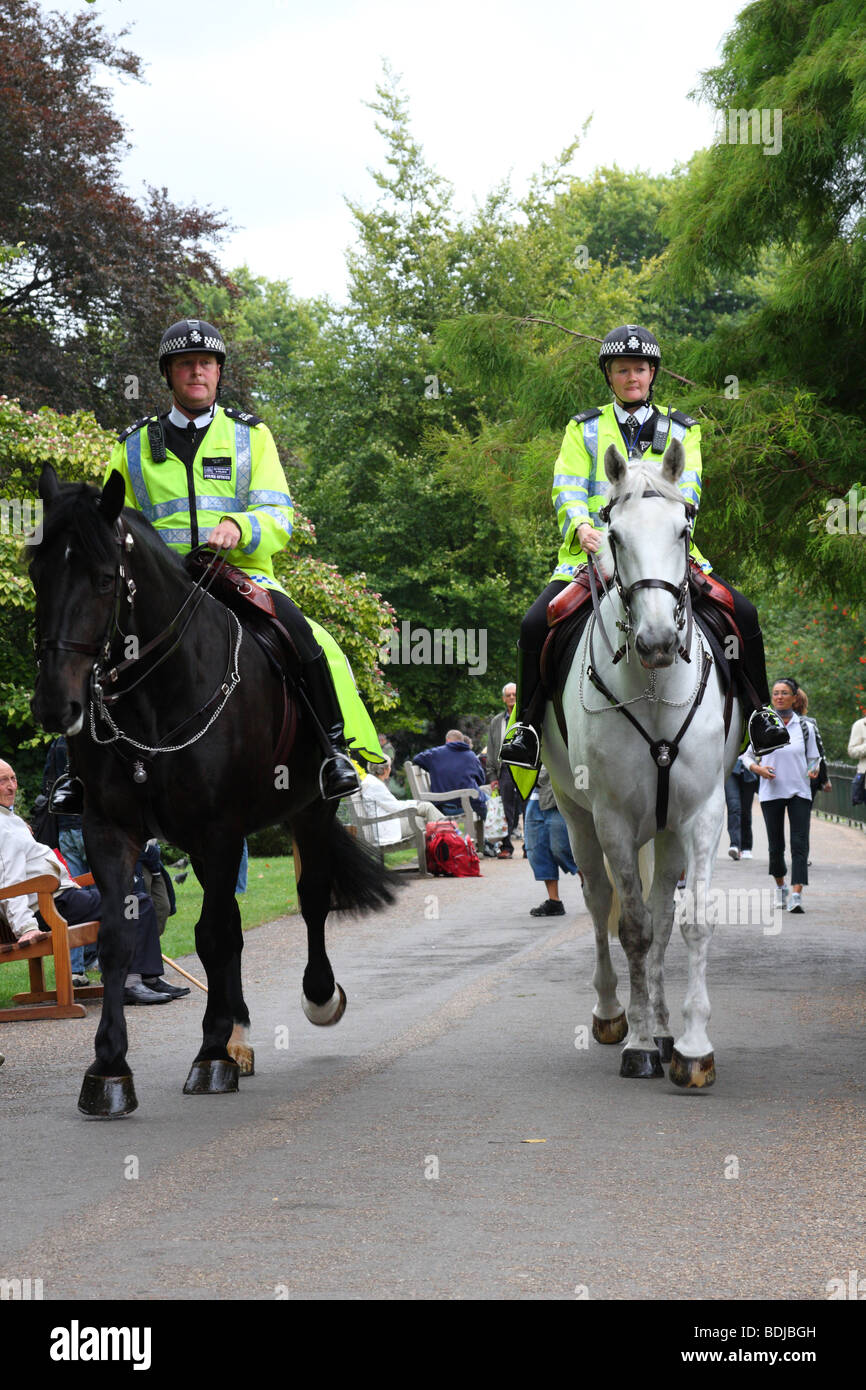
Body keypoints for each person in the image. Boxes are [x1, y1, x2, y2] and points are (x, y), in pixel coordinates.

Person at [98, 317, 384, 802]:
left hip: (237, 574)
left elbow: (279, 514)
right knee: (87, 645)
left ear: (218, 372)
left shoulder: (253, 437)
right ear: (168, 374)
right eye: (185, 364)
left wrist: (241, 526)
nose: (197, 372)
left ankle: (334, 749)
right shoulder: (133, 446)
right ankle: (77, 777)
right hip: (157, 588)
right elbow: (107, 521)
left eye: (205, 363)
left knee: (307, 637)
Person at [499, 324, 788, 781]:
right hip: (591, 555)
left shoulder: (682, 429)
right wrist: (582, 527)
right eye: (621, 369)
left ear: (652, 373)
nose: (632, 376)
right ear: (609, 376)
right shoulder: (584, 429)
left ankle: (760, 714)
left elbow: (688, 488)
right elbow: (567, 486)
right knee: (535, 622)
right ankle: (528, 728)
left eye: (640, 368)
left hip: (667, 556)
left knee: (744, 614)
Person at [0, 759, 184, 1003]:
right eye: (3, 780)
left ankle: (144, 978)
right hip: (54, 906)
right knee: (136, 905)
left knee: (136, 903)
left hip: (66, 900)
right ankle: (130, 982)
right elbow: (9, 882)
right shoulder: (4, 828)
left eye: (13, 778)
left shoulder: (9, 821)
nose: (11, 786)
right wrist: (26, 928)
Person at [743, 678, 820, 913]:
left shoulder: (805, 727)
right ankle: (780, 887)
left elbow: (814, 757)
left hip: (799, 791)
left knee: (800, 845)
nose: (779, 697)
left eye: (784, 693)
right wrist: (758, 769)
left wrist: (814, 769)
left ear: (795, 698)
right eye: (775, 693)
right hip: (771, 792)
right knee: (775, 847)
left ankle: (797, 894)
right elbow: (745, 757)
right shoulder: (761, 723)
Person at [524, 764, 580, 916]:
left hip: (562, 795)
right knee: (538, 850)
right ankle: (554, 901)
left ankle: (591, 884)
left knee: (563, 848)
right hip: (537, 794)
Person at [352, 757, 444, 847]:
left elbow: (392, 805)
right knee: (427, 820)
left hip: (390, 821)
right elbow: (395, 807)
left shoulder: (372, 782)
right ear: (385, 770)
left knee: (427, 807)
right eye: (389, 766)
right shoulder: (374, 785)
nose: (390, 769)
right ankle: (451, 837)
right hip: (388, 828)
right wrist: (414, 803)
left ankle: (450, 837)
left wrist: (415, 803)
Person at [412, 731, 488, 821]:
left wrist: (434, 769)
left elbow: (417, 759)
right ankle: (490, 833)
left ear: (447, 741)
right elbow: (481, 780)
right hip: (471, 805)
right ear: (462, 741)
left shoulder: (435, 754)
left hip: (446, 806)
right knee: (490, 803)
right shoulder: (471, 756)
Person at [487, 682, 524, 859]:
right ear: (503, 698)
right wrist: (493, 776)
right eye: (508, 695)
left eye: (514, 694)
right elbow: (492, 748)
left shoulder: (526, 716)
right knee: (506, 809)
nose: (511, 697)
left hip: (525, 767)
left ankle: (529, 848)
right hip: (505, 769)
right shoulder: (496, 722)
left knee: (526, 806)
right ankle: (507, 847)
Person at [791, 686, 831, 806]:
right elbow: (819, 753)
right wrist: (824, 779)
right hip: (806, 777)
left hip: (782, 777)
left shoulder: (775, 722)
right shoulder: (809, 723)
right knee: (803, 816)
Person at [724, 756, 758, 860]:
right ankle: (734, 845)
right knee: (734, 807)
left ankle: (746, 847)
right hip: (731, 768)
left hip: (750, 770)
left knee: (745, 811)